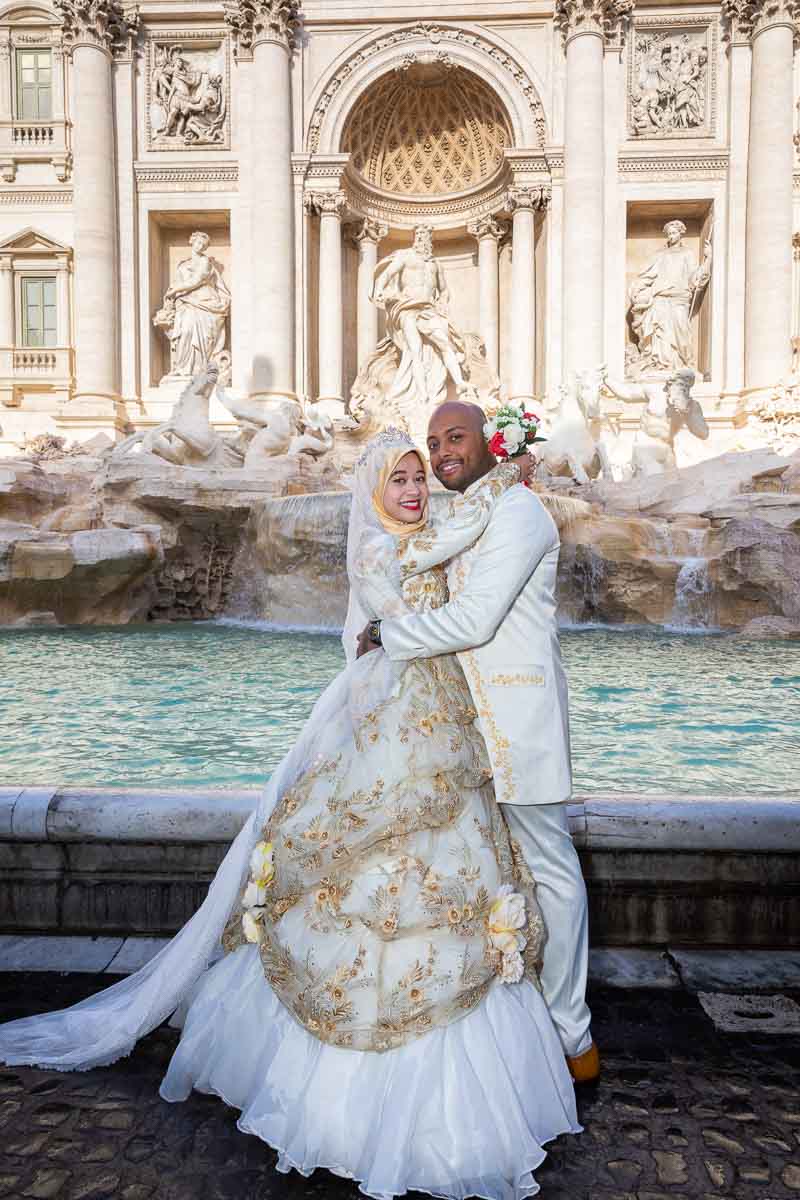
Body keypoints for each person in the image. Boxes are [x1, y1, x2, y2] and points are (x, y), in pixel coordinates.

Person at [0, 429, 581, 1200]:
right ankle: (353, 1103)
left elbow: (468, 531)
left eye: (419, 476)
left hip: (455, 733)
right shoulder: (381, 552)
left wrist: (507, 474)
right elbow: (424, 603)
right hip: (396, 736)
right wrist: (400, 616)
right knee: (375, 891)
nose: (413, 489)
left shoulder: (444, 529)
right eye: (399, 478)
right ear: (373, 493)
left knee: (451, 890)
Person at [359, 401, 598, 1084]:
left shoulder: (519, 514)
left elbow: (476, 617)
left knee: (550, 873)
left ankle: (573, 1038)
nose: (440, 454)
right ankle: (503, 1019)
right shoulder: (475, 512)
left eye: (453, 438)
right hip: (462, 728)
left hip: (517, 723)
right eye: (432, 444)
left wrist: (387, 638)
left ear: (489, 442)